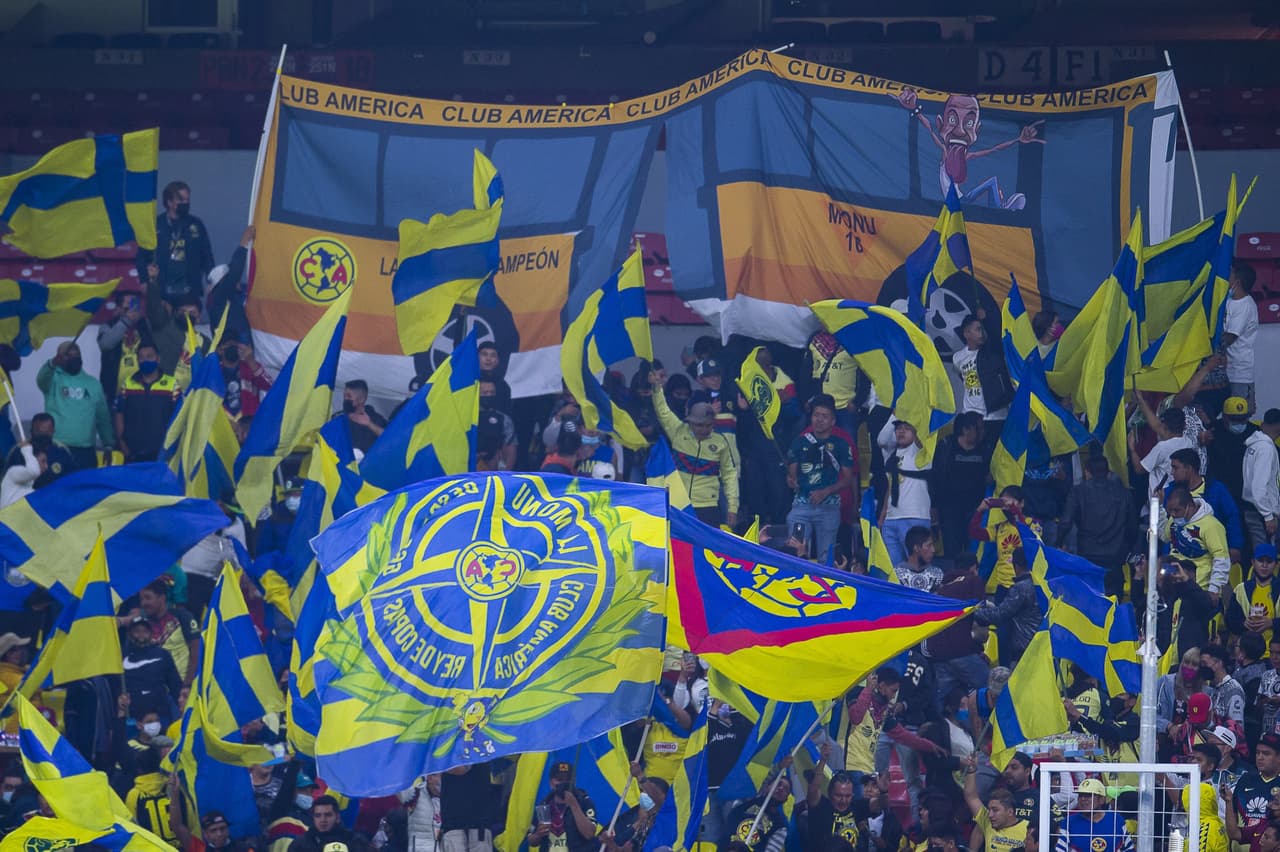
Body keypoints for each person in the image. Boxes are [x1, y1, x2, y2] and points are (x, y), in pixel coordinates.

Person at [650, 367, 739, 528]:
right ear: (690, 422)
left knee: (706, 551)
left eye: (708, 425)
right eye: (699, 425)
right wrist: (657, 388)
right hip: (678, 502)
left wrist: (732, 507)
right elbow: (663, 411)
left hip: (707, 506)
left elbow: (729, 475)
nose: (703, 429)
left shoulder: (721, 442)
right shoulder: (678, 431)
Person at [786, 394, 854, 560]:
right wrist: (791, 480)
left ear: (833, 421)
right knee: (795, 554)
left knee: (826, 558)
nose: (819, 420)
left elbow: (848, 479)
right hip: (802, 507)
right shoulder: (799, 442)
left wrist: (826, 491)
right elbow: (792, 474)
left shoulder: (841, 444)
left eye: (825, 416)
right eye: (816, 415)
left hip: (829, 509)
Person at [1059, 454, 1135, 595]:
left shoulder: (1078, 492)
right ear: (1108, 472)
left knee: (1089, 599)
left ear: (1087, 472)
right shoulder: (1124, 493)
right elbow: (1132, 527)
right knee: (1114, 600)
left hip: (1088, 554)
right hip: (1115, 555)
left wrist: (1059, 543)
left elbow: (1065, 522)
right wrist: (1127, 549)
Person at [36, 340, 115, 470]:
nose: (73, 358)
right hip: (57, 448)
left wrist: (108, 444)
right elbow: (41, 379)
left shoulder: (93, 384)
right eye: (68, 355)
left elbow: (103, 417)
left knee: (85, 489)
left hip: (86, 451)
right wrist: (52, 363)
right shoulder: (53, 380)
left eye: (76, 354)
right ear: (59, 358)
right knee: (58, 488)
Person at [138, 180, 215, 309]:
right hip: (162, 290)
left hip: (189, 291)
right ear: (169, 202)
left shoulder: (196, 224)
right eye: (180, 199)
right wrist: (144, 280)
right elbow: (141, 256)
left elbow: (207, 255)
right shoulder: (155, 225)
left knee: (187, 327)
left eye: (187, 199)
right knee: (162, 326)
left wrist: (212, 280)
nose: (185, 203)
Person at [925, 556, 990, 701]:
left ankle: (936, 722)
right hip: (961, 651)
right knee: (993, 689)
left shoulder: (941, 588)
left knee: (941, 700)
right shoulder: (974, 581)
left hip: (936, 652)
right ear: (973, 568)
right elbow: (981, 615)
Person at [1167, 447, 1246, 564]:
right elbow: (1167, 528)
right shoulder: (1170, 491)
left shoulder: (1217, 490)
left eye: (1175, 468)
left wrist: (1235, 546)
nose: (1172, 473)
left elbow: (1232, 517)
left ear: (1188, 468)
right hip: (1178, 557)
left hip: (1210, 555)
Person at [929, 412, 990, 557]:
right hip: (950, 509)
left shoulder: (985, 450)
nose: (982, 432)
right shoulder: (946, 446)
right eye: (978, 429)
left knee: (973, 549)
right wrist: (934, 505)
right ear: (966, 429)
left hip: (975, 509)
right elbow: (935, 477)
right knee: (952, 549)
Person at [950, 314, 1014, 452]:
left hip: (996, 415)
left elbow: (997, 339)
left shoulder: (993, 352)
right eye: (978, 329)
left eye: (983, 329)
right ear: (967, 334)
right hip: (971, 417)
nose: (982, 333)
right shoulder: (958, 358)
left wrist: (986, 320)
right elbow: (962, 377)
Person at [878, 418, 933, 567]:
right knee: (894, 570)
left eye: (906, 428)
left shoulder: (921, 452)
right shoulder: (890, 454)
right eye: (898, 428)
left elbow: (924, 435)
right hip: (891, 519)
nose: (901, 431)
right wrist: (883, 516)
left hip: (915, 516)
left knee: (917, 568)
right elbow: (882, 439)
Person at [972, 547, 1040, 667]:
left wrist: (973, 612)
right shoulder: (1039, 584)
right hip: (1036, 642)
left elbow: (1001, 613)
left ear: (1016, 566)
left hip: (1025, 647)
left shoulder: (1021, 588)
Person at [114, 342, 180, 463]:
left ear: (158, 359)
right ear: (137, 360)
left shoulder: (172, 385)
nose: (145, 360)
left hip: (161, 453)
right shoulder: (127, 383)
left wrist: (171, 447)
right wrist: (122, 442)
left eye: (150, 356)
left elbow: (179, 417)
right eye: (142, 357)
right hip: (132, 452)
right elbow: (119, 413)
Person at [969, 486, 1041, 595]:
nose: (1007, 505)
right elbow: (974, 532)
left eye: (1011, 500)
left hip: (1026, 585)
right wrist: (979, 511)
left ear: (1022, 503)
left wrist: (1014, 510)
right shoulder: (1000, 528)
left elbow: (1026, 535)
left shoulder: (1033, 524)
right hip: (1003, 586)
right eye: (1003, 501)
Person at [1162, 485, 1231, 597]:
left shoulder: (1212, 526)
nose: (1173, 514)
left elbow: (1221, 558)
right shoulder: (1174, 520)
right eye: (1170, 511)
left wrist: (1214, 589)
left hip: (1199, 590)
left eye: (1177, 510)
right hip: (1173, 587)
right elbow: (1164, 536)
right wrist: (1160, 509)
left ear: (1189, 506)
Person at [133, 579, 201, 688]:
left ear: (162, 598)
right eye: (141, 599)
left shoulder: (183, 617)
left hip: (180, 690)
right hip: (154, 691)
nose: (143, 603)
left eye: (148, 598)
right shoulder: (142, 625)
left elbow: (196, 651)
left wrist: (188, 684)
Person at [526, 761, 598, 852]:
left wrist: (574, 804)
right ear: (551, 783)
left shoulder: (584, 802)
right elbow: (531, 841)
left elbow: (589, 834)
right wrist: (538, 834)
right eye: (559, 779)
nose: (564, 783)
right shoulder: (544, 805)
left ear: (574, 781)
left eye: (568, 779)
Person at [122, 615, 182, 723]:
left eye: (145, 631)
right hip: (132, 719)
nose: (141, 635)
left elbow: (175, 685)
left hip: (161, 716)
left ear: (150, 633)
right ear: (129, 634)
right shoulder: (121, 657)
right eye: (137, 631)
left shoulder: (163, 655)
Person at [962, 756, 1028, 852]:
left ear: (1010, 812)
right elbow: (971, 797)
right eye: (989, 810)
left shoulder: (1027, 829)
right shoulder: (988, 822)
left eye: (995, 810)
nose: (990, 814)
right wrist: (971, 771)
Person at [206, 226, 257, 345]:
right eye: (230, 279)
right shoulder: (220, 296)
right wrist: (244, 242)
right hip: (235, 346)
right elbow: (235, 270)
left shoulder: (237, 293)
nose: (237, 280)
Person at [1053, 778, 1133, 852]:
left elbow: (1129, 849)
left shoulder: (1117, 819)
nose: (1083, 799)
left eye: (1088, 795)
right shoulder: (1068, 822)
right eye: (1080, 795)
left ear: (1101, 800)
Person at [1231, 732, 1280, 851]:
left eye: (1266, 753)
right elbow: (1233, 813)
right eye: (1258, 753)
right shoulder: (1245, 780)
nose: (1260, 757)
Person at [1129, 407, 1194, 495]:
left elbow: (1139, 469)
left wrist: (1132, 449)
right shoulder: (1188, 442)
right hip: (1179, 496)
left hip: (1160, 500)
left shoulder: (1163, 447)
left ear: (1164, 426)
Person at [1224, 262, 1259, 411]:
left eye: (1230, 275)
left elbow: (1229, 338)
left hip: (1239, 374)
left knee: (1239, 416)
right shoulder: (1229, 301)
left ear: (1237, 281)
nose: (1227, 278)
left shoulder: (1245, 306)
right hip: (1225, 372)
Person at [724, 773, 791, 852]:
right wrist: (779, 766)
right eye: (778, 784)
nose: (781, 788)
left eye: (786, 789)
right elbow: (758, 779)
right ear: (767, 786)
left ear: (786, 799)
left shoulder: (780, 828)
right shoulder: (749, 798)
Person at [1229, 544, 1280, 645]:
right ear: (1253, 562)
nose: (1264, 565)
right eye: (1260, 560)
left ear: (1276, 564)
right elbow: (1230, 620)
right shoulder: (1241, 589)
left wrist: (1272, 623)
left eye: (1269, 561)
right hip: (1249, 653)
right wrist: (1243, 623)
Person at [1244, 410, 1280, 550]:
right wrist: (1268, 516)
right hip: (1260, 513)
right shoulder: (1265, 448)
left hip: (1256, 510)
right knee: (1264, 557)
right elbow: (1258, 487)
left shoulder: (1256, 444)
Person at [126, 749, 178, 845]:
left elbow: (131, 827)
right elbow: (191, 820)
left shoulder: (134, 795)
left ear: (138, 769)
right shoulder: (175, 787)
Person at [440, 764, 496, 852]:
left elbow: (460, 769)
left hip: (469, 828)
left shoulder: (448, 757)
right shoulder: (483, 753)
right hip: (465, 827)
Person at [289, 795, 367, 852]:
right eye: (318, 815)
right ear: (313, 818)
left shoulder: (354, 842)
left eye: (328, 815)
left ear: (337, 817)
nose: (323, 820)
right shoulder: (301, 843)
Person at [1201, 644, 1247, 728]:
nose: (1202, 668)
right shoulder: (1213, 689)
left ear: (1218, 663)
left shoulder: (1233, 690)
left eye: (1205, 663)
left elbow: (1237, 727)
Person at [336, 380, 387, 454]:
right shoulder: (339, 418)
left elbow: (390, 439)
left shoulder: (376, 419)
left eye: (349, 396)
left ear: (362, 399)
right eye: (344, 396)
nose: (346, 399)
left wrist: (369, 424)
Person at [0, 633, 31, 734]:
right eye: (13, 650)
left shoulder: (19, 671)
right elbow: (31, 686)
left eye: (20, 649)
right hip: (12, 735)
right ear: (5, 655)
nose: (19, 653)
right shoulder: (4, 674)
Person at [895, 526, 943, 592]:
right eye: (929, 546)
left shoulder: (937, 574)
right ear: (916, 548)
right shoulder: (896, 575)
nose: (933, 550)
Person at [0, 441, 43, 507]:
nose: (46, 466)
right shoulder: (13, 472)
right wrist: (27, 450)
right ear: (32, 459)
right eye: (43, 461)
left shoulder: (30, 487)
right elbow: (33, 471)